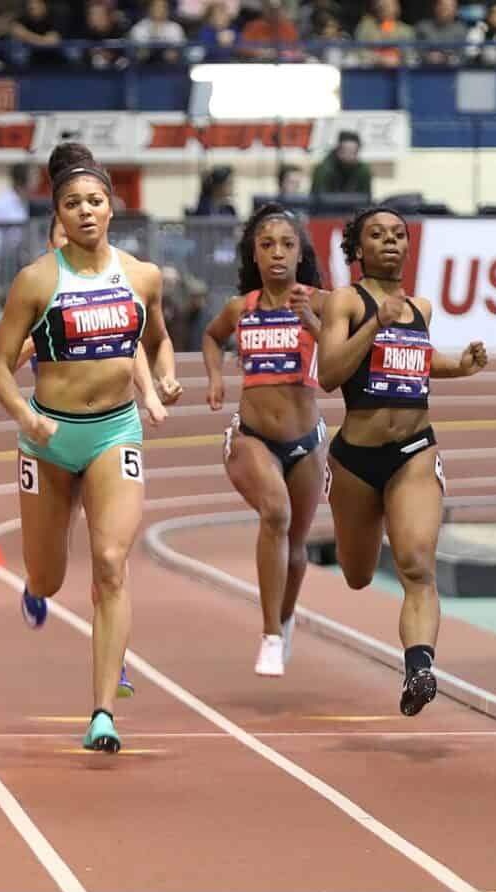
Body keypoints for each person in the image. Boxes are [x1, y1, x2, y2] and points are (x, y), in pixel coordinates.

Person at [0, 142, 182, 753]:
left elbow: (157, 339)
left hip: (114, 434)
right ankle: (35, 584)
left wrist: (165, 379)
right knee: (48, 577)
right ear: (59, 216)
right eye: (73, 204)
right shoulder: (36, 281)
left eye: (95, 200)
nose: (86, 211)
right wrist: (24, 414)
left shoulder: (143, 276)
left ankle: (102, 713)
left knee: (111, 564)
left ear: (111, 207)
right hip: (48, 438)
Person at [318, 206, 488, 716]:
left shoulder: (422, 308)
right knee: (357, 574)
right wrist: (375, 322)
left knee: (416, 567)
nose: (390, 242)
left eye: (398, 235)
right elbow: (329, 372)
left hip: (414, 452)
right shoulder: (346, 302)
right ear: (358, 248)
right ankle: (414, 657)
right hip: (355, 462)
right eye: (378, 235)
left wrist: (458, 365)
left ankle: (419, 667)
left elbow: (412, 358)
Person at [202, 204, 329, 676]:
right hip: (253, 437)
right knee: (275, 512)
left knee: (296, 551)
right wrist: (214, 378)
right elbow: (211, 338)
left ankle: (286, 617)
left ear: (301, 254)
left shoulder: (320, 303)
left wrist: (315, 325)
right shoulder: (241, 309)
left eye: (287, 245)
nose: (277, 253)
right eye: (267, 245)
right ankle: (270, 634)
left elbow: (346, 354)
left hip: (308, 444)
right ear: (254, 255)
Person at [311, 130, 373, 200]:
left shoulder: (363, 170)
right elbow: (319, 199)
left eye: (353, 152)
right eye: (346, 151)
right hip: (328, 209)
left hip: (355, 209)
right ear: (338, 150)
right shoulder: (324, 170)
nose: (350, 155)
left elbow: (367, 198)